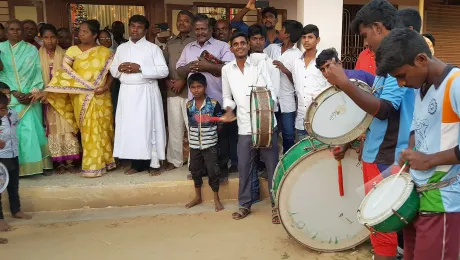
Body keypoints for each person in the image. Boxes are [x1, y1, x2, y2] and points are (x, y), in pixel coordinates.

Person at [329, 1, 413, 259]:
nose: (366, 44)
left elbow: (385, 109)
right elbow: (374, 111)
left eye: (366, 35)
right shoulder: (386, 64)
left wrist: (345, 84)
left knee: (381, 219)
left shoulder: (400, 63)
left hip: (387, 156)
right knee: (384, 222)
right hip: (377, 152)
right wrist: (351, 139)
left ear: (378, 27)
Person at [375, 27, 460, 260]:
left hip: (442, 200)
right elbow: (418, 127)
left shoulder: (455, 84)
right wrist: (410, 149)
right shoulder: (420, 87)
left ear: (422, 59)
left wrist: (429, 159)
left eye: (402, 75)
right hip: (416, 196)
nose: (401, 84)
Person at [45, 19, 116, 178]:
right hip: (81, 97)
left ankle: (106, 161)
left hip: (101, 96)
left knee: (105, 129)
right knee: (88, 131)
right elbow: (65, 73)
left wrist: (105, 87)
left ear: (94, 35)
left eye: (85, 31)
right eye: (80, 31)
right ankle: (92, 164)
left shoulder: (104, 52)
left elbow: (112, 74)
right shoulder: (72, 50)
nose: (80, 34)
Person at [222, 32, 279, 223]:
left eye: (242, 43)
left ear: (248, 46)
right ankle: (244, 205)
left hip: (265, 124)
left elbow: (271, 90)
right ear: (231, 48)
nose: (239, 46)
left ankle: (276, 206)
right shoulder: (226, 69)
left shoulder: (259, 64)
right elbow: (226, 96)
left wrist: (266, 109)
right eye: (235, 44)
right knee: (245, 166)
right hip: (244, 125)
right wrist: (229, 109)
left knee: (272, 166)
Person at [176, 14, 235, 182]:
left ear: (210, 30)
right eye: (197, 29)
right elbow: (179, 70)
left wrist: (207, 66)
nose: (200, 32)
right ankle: (200, 170)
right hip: (195, 103)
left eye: (203, 28)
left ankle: (221, 171)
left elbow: (230, 69)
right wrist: (189, 67)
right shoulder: (188, 48)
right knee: (198, 136)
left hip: (217, 99)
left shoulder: (222, 46)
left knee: (219, 137)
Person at [110, 15, 168, 176]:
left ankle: (153, 164)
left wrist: (140, 68)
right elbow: (113, 70)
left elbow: (164, 71)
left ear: (145, 30)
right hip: (127, 92)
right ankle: (136, 164)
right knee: (131, 129)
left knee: (149, 127)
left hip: (146, 92)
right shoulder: (121, 48)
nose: (135, 30)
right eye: (133, 26)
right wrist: (120, 68)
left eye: (139, 27)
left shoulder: (152, 48)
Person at [0, 19, 52, 176]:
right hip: (8, 96)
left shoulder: (31, 50)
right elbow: (2, 73)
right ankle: (12, 168)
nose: (15, 32)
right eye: (12, 29)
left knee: (30, 132)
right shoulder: (1, 49)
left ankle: (34, 167)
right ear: (6, 31)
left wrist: (32, 93)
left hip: (30, 97)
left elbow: (38, 72)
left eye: (18, 29)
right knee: (13, 133)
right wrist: (14, 91)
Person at [39, 24, 81, 174]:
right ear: (41, 38)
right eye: (46, 37)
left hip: (64, 97)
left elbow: (70, 76)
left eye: (52, 37)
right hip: (46, 98)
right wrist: (42, 92)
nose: (50, 40)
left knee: (68, 127)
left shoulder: (65, 54)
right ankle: (59, 162)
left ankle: (70, 161)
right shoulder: (37, 55)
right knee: (53, 128)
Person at [247, 24, 281, 200]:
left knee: (271, 162)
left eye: (261, 38)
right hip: (247, 120)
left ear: (265, 40)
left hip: (268, 119)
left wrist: (267, 113)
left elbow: (275, 92)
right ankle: (253, 194)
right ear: (249, 41)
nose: (258, 42)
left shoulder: (271, 64)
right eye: (254, 38)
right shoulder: (243, 63)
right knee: (250, 160)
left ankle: (275, 200)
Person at [185, 73, 224, 212]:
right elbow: (190, 123)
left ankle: (216, 199)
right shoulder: (189, 105)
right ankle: (197, 197)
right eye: (193, 87)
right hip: (195, 145)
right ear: (190, 89)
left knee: (213, 171)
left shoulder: (213, 104)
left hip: (210, 144)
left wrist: (212, 134)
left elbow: (220, 121)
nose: (196, 90)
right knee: (195, 171)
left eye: (199, 87)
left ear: (205, 87)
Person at [163, 10, 196, 172]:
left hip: (190, 91)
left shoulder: (196, 41)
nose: (182, 23)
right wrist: (167, 82)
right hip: (172, 91)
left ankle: (194, 162)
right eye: (179, 20)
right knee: (175, 127)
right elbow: (163, 65)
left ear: (192, 23)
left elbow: (197, 64)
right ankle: (174, 160)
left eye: (186, 20)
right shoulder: (170, 42)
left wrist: (183, 81)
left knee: (192, 128)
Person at [264, 20, 303, 153]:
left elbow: (299, 82)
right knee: (271, 133)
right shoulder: (272, 48)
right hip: (271, 99)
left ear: (287, 34)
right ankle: (272, 162)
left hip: (287, 101)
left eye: (282, 30)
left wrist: (285, 70)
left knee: (288, 134)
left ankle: (287, 163)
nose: (278, 31)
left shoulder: (298, 55)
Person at [289, 24, 330, 142]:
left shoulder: (324, 62)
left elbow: (330, 86)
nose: (306, 40)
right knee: (303, 154)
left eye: (310, 37)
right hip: (301, 119)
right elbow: (297, 88)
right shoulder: (296, 62)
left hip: (320, 118)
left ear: (318, 40)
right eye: (304, 37)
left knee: (321, 155)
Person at [0, 88, 32, 233]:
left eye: (5, 108)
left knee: (14, 185)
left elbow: (15, 127)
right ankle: (0, 220)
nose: (4, 112)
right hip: (1, 158)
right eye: (1, 110)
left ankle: (16, 210)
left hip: (13, 154)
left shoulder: (13, 113)